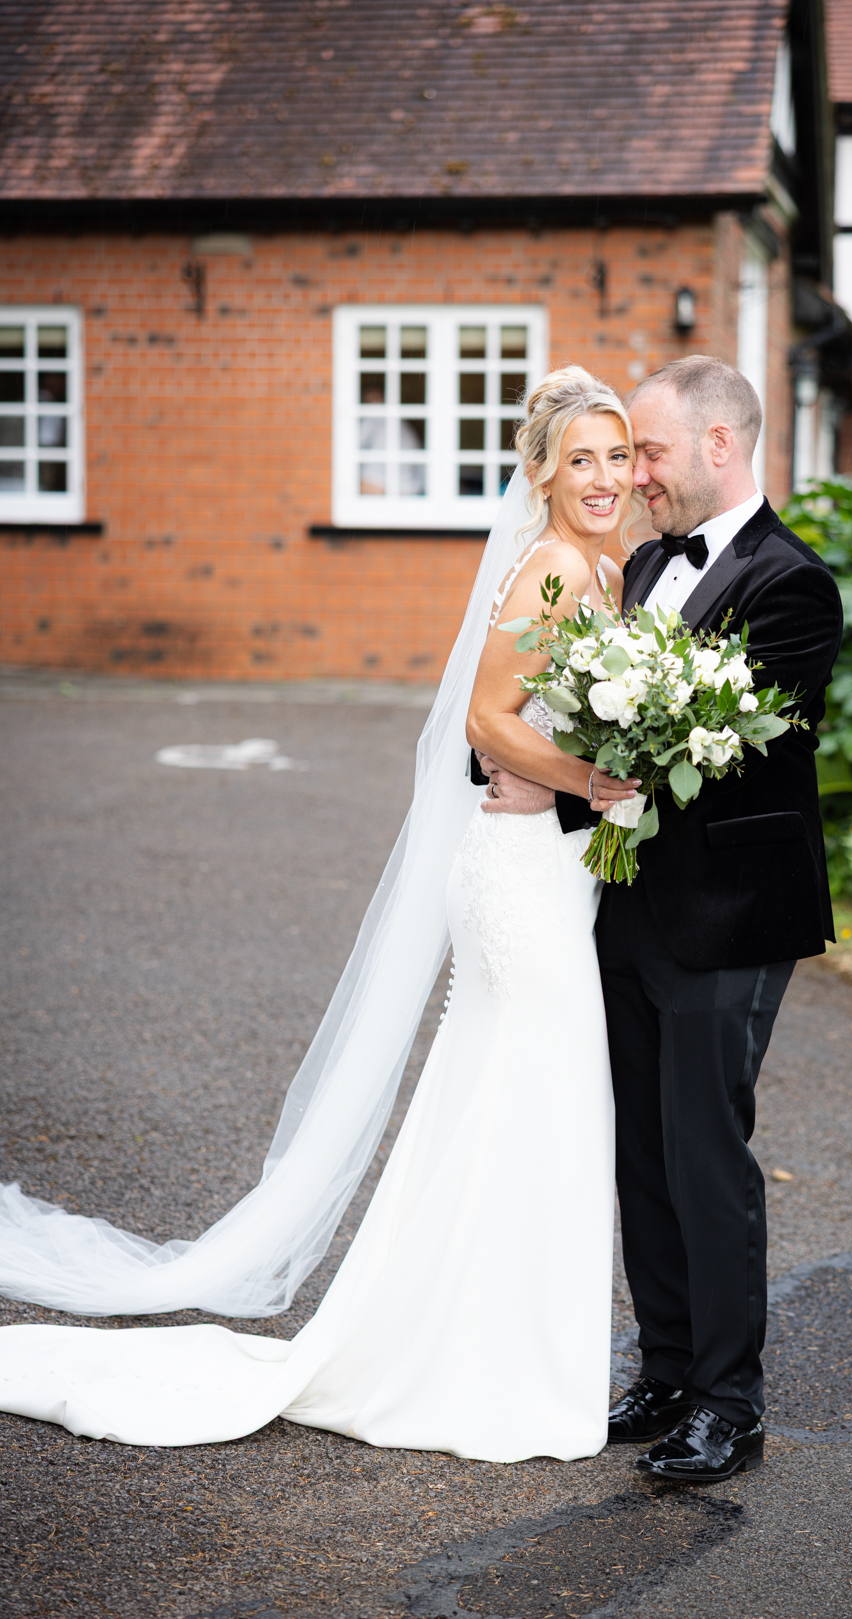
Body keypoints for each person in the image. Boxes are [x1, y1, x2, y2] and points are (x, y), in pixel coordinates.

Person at [0, 367, 639, 1463]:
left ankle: (483, 1342)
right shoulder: (556, 567)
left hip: (548, 864)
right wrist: (596, 780)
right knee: (539, 1092)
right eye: (581, 458)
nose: (604, 477)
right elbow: (487, 721)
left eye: (618, 456)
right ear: (540, 474)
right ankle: (488, 1361)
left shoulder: (605, 568)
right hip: (517, 877)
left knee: (508, 1097)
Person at [483, 355, 844, 1483]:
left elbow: (727, 754)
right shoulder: (639, 563)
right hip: (625, 909)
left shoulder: (795, 584)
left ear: (717, 445)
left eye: (648, 451)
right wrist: (519, 760)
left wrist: (580, 776)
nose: (635, 475)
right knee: (641, 1152)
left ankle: (730, 1403)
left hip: (732, 920)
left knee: (704, 1152)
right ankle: (669, 1365)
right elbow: (566, 704)